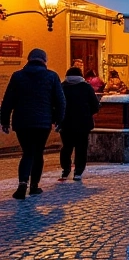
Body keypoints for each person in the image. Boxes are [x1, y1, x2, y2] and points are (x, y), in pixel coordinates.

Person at [1, 49, 65, 199]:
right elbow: (61, 101)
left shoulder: (17, 76)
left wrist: (4, 120)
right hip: (43, 122)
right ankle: (34, 186)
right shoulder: (52, 76)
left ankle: (23, 182)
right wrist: (58, 120)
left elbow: (8, 100)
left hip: (22, 122)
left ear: (29, 60)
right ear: (44, 60)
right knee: (38, 153)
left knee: (27, 152)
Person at [59, 66, 99, 182]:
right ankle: (78, 171)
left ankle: (65, 169)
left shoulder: (62, 87)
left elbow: (56, 103)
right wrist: (87, 113)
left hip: (66, 123)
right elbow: (95, 105)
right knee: (81, 147)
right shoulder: (86, 87)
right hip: (83, 123)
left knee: (66, 147)